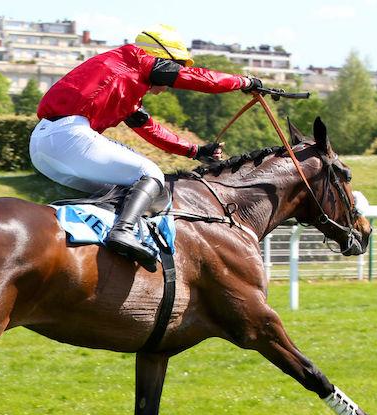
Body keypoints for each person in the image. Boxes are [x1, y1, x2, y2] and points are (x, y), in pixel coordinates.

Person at [30, 25, 263, 268]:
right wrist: (243, 82)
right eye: (175, 69)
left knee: (124, 191)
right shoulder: (139, 60)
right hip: (68, 136)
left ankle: (99, 253)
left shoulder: (125, 79)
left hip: (44, 145)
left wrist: (195, 151)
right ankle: (123, 233)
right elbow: (198, 78)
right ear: (163, 58)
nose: (165, 88)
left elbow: (150, 129)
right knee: (151, 174)